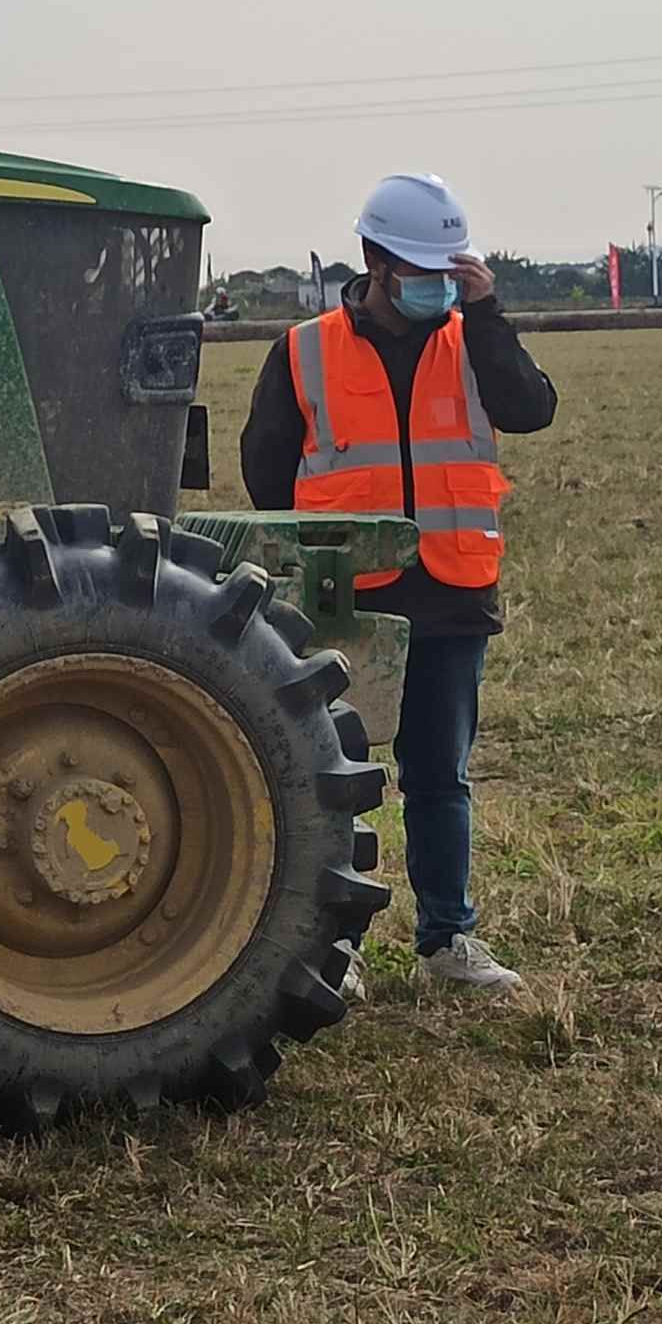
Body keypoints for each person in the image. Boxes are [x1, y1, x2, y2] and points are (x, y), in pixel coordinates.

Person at [239, 173, 557, 996]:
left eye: (448, 271)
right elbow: (264, 465)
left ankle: (448, 940)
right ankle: (327, 951)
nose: (435, 285)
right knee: (326, 779)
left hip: (451, 593)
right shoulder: (304, 349)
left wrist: (486, 316)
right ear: (374, 263)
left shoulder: (469, 338)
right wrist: (311, 561)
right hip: (347, 598)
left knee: (439, 776)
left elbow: (530, 409)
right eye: (420, 269)